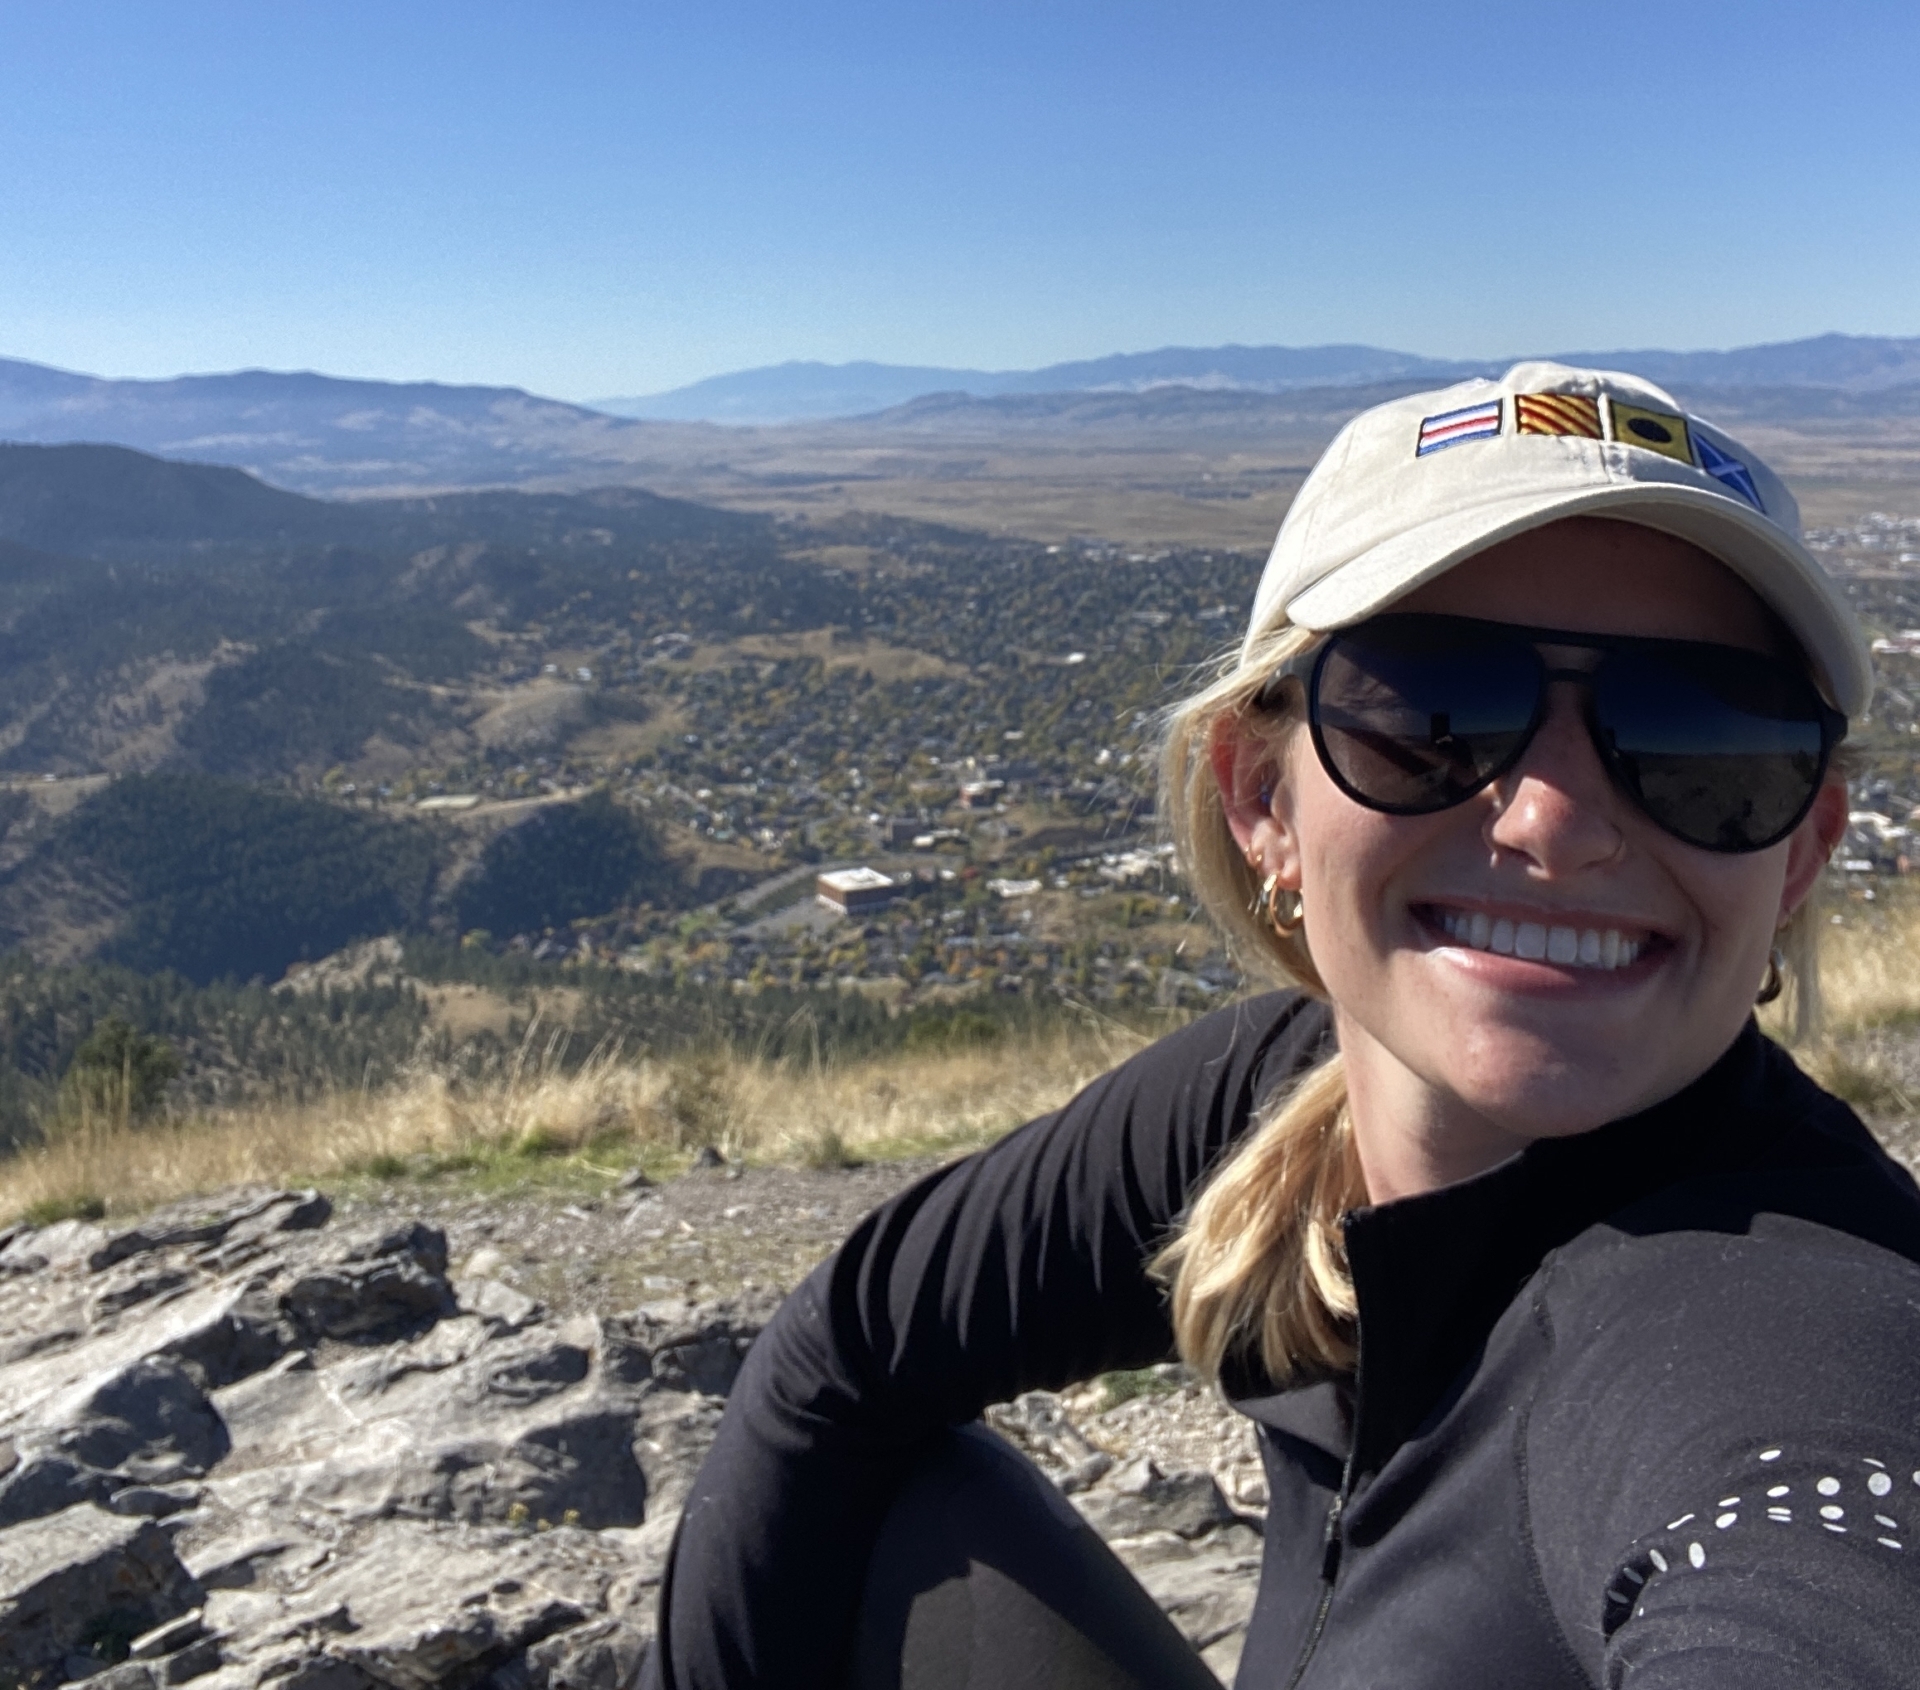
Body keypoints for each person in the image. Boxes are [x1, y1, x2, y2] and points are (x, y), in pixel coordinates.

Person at [640, 363, 1920, 1689]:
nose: (1556, 821)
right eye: (1438, 711)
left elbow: (1821, 1560)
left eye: (1704, 740)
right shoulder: (1275, 1097)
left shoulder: (1784, 1315)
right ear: (1262, 796)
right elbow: (838, 1359)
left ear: (1804, 850)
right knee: (906, 1505)